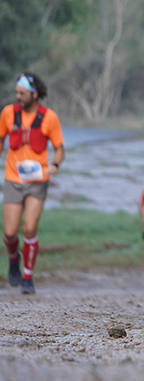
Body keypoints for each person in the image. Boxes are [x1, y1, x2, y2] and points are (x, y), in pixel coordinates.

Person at [0, 72, 64, 295]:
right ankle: (13, 258)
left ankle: (28, 275)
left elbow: (59, 148)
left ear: (34, 94)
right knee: (9, 232)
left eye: (22, 93)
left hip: (37, 182)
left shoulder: (49, 118)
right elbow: (0, 138)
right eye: (17, 93)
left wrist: (55, 164)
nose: (18, 96)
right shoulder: (8, 113)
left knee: (29, 228)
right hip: (13, 179)